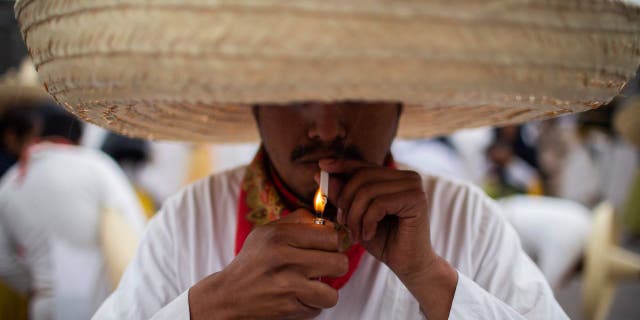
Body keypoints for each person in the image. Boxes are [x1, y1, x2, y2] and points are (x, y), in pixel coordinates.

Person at [14, 1, 640, 319]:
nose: (327, 126)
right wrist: (211, 305)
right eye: (292, 96)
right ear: (252, 102)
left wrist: (434, 281)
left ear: (401, 99)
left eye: (358, 93)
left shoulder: (461, 216)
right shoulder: (192, 218)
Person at [0, 104, 146, 319]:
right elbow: (135, 230)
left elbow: (4, 263)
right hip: (97, 304)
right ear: (79, 135)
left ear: (36, 132)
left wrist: (39, 287)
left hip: (44, 305)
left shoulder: (10, 183)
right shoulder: (96, 166)